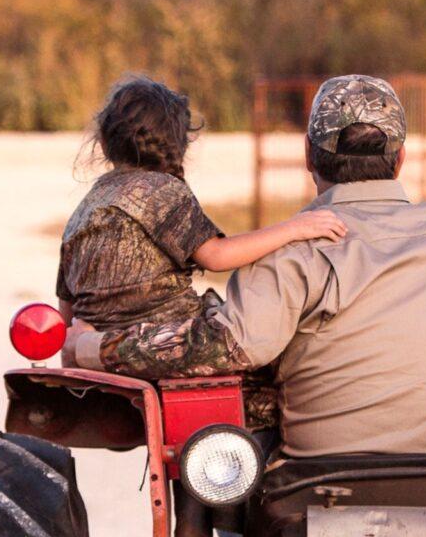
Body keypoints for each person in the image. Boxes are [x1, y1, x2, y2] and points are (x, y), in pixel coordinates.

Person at [67, 75, 426, 458]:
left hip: (318, 482)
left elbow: (219, 347)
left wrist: (94, 348)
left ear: (310, 156)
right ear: (401, 158)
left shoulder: (296, 252)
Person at [60, 76, 346, 376]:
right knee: (276, 370)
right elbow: (217, 256)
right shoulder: (160, 190)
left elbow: (66, 309)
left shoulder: (84, 209)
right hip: (162, 345)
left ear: (104, 143)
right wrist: (294, 228)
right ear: (177, 144)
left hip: (99, 352)